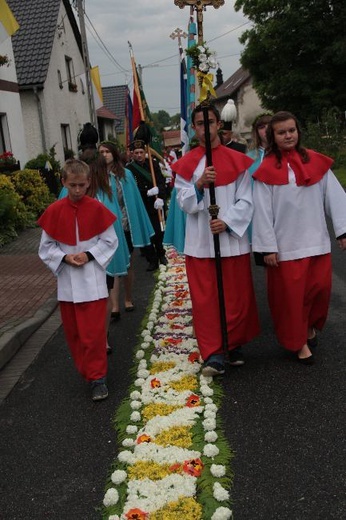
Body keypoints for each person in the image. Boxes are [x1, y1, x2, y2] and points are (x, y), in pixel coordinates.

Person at [252, 111, 346, 365]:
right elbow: (261, 211)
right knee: (292, 300)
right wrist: (267, 248)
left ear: (298, 131)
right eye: (281, 132)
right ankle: (299, 344)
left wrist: (343, 230)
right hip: (286, 247)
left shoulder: (316, 161)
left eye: (291, 130)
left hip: (316, 242)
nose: (288, 135)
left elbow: (335, 197)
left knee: (320, 292)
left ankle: (309, 327)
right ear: (273, 136)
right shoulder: (266, 170)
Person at [174, 104, 260, 376]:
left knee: (235, 297)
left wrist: (227, 221)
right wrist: (199, 185)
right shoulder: (187, 164)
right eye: (199, 123)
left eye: (210, 122)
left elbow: (246, 199)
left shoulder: (237, 160)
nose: (205, 127)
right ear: (194, 128)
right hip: (201, 242)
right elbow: (183, 203)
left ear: (218, 125)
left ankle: (232, 344)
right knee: (206, 300)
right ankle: (213, 353)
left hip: (230, 240)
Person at [37, 159, 118, 401]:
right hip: (68, 286)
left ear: (89, 182)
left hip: (92, 282)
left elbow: (110, 241)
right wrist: (64, 257)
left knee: (93, 335)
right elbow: (46, 248)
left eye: (82, 185)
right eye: (72, 185)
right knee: (75, 336)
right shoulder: (54, 211)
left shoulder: (96, 208)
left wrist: (88, 254)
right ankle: (89, 372)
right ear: (63, 182)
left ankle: (98, 378)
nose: (77, 190)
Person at [97, 141, 155, 321]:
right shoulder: (96, 176)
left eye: (107, 151)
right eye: (101, 152)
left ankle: (128, 297)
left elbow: (134, 200)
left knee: (128, 261)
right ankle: (114, 305)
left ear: (114, 153)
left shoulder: (126, 175)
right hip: (108, 227)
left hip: (125, 224)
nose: (104, 154)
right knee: (112, 263)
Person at [127, 139, 167, 271]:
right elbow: (132, 189)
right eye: (136, 152)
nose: (139, 155)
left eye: (141, 152)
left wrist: (160, 195)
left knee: (158, 231)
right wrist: (147, 192)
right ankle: (152, 259)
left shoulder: (153, 164)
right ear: (132, 154)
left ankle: (161, 254)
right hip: (142, 204)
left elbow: (161, 181)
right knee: (148, 233)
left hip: (156, 203)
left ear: (145, 152)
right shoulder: (129, 169)